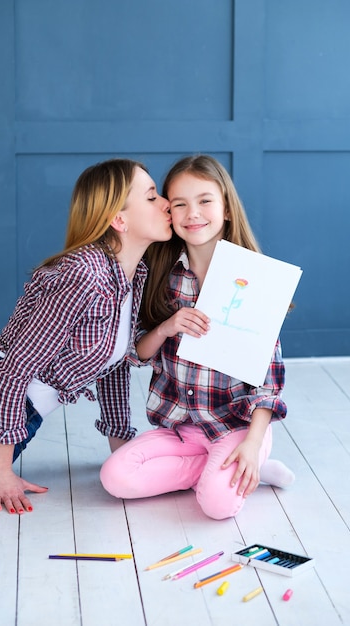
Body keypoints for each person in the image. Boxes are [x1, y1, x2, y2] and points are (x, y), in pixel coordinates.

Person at [0, 158, 172, 514]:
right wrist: (2, 470)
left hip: (13, 425)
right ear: (119, 219)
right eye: (151, 197)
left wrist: (122, 451)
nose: (165, 204)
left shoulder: (133, 276)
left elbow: (112, 368)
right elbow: (14, 372)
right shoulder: (83, 274)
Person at [100, 154, 295, 520]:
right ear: (168, 214)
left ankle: (249, 460)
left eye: (205, 201)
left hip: (233, 424)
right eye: (180, 204)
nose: (193, 213)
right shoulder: (161, 276)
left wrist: (252, 444)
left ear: (226, 210)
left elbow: (269, 381)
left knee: (217, 508)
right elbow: (137, 354)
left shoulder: (257, 279)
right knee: (115, 477)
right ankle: (223, 470)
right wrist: (166, 327)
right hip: (181, 428)